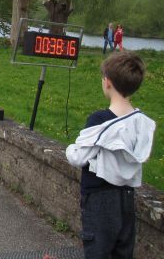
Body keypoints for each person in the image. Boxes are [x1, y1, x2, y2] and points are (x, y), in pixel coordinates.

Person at [66, 52, 155, 258]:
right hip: (126, 197)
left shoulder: (100, 120)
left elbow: (79, 157)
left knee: (98, 250)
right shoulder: (141, 123)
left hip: (99, 198)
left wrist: (70, 149)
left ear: (107, 82)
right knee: (122, 252)